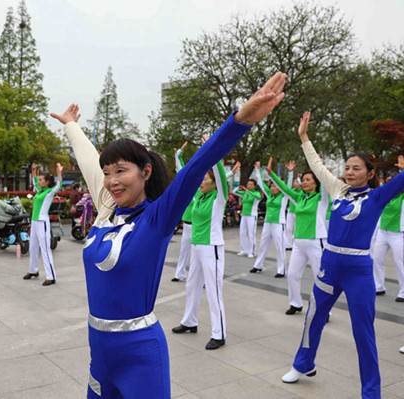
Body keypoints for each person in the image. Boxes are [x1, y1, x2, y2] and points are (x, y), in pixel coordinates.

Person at [50, 72, 286, 398]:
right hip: (99, 353)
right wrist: (71, 126)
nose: (111, 181)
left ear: (145, 172)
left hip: (140, 355)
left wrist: (241, 120)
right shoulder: (107, 209)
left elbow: (194, 168)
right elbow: (91, 163)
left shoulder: (155, 219)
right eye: (108, 173)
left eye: (121, 171)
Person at [281, 112, 404, 399]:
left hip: (359, 271)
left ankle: (371, 391)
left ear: (370, 173)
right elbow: (316, 165)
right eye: (347, 167)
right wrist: (303, 136)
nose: (349, 172)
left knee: (364, 332)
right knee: (313, 317)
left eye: (357, 168)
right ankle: (303, 364)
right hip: (329, 265)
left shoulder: (378, 196)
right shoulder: (337, 189)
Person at [172, 136, 229, 350]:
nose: (202, 181)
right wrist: (178, 159)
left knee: (213, 291)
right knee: (191, 284)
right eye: (202, 179)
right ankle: (189, 321)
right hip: (196, 246)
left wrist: (212, 149)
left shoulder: (218, 197)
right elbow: (184, 176)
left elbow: (222, 176)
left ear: (214, 183)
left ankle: (219, 333)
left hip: (211, 247)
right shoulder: (199, 197)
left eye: (206, 178)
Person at [268, 157, 329, 314]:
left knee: (319, 278)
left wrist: (317, 164)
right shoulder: (299, 198)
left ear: (316, 183)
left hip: (316, 242)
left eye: (308, 180)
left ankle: (324, 310)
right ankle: (295, 303)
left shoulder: (322, 198)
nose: (304, 182)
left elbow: (324, 178)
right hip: (299, 243)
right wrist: (271, 174)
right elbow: (284, 189)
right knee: (292, 275)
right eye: (303, 180)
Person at [249, 159, 294, 277]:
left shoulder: (284, 196)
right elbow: (261, 184)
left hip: (279, 224)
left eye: (275, 186)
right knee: (263, 245)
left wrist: (290, 173)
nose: (273, 188)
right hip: (267, 223)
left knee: (280, 247)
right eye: (272, 186)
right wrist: (257, 170)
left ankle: (281, 270)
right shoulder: (269, 195)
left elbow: (288, 186)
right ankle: (258, 265)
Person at [24, 163, 63, 286]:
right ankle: (33, 271)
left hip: (42, 223)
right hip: (34, 222)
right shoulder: (40, 191)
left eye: (41, 180)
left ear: (47, 182)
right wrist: (33, 170)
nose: (39, 182)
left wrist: (59, 172)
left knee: (45, 249)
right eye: (39, 180)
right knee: (33, 248)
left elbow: (59, 185)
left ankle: (51, 277)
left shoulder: (49, 192)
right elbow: (34, 181)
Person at [372, 173, 404, 301]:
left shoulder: (402, 197)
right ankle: (379, 286)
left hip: (397, 234)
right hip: (382, 233)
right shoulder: (385, 195)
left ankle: (403, 292)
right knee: (377, 259)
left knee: (400, 263)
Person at [172, 141, 193, 282]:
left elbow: (218, 178)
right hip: (187, 225)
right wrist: (178, 155)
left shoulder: (201, 191)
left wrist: (230, 173)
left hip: (200, 226)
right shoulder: (188, 186)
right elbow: (181, 170)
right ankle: (179, 273)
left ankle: (202, 279)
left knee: (199, 254)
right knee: (184, 251)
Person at [233, 169, 262, 258]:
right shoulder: (245, 194)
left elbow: (257, 197)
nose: (248, 186)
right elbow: (234, 192)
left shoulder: (256, 194)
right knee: (242, 233)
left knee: (251, 233)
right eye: (248, 184)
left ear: (254, 186)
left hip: (252, 216)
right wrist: (239, 187)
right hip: (244, 215)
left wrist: (247, 191)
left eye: (250, 184)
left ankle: (252, 252)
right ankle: (243, 250)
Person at [284, 177, 301, 250]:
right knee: (288, 228)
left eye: (296, 182)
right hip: (290, 212)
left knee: (297, 229)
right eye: (294, 182)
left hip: (298, 213)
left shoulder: (302, 192)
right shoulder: (292, 190)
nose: (294, 183)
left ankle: (296, 245)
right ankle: (288, 244)